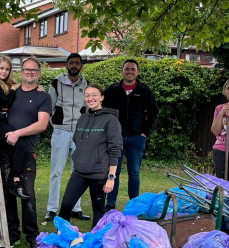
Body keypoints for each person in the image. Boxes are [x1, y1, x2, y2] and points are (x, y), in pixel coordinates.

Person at [1, 57, 52, 248]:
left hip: (27, 151)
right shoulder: (11, 92)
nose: (30, 73)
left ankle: (32, 236)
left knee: (28, 193)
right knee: (8, 193)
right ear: (21, 72)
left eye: (33, 70)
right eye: (26, 70)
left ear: (38, 73)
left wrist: (17, 133)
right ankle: (12, 235)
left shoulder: (44, 97)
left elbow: (42, 124)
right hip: (6, 150)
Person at [58, 84, 122, 228]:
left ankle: (95, 243)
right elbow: (77, 140)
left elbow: (115, 150)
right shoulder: (83, 118)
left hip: (99, 174)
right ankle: (62, 239)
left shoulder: (111, 120)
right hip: (80, 171)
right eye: (87, 95)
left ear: (102, 97)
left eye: (94, 95)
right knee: (66, 205)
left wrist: (111, 177)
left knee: (98, 210)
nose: (90, 98)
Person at [103, 59, 159, 211]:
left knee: (134, 173)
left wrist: (145, 132)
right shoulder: (113, 89)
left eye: (133, 69)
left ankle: (134, 205)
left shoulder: (144, 90)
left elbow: (154, 112)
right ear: (122, 71)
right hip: (116, 137)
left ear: (137, 72)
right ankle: (110, 205)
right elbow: (101, 108)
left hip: (136, 137)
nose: (130, 72)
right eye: (127, 69)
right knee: (114, 172)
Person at [45, 53, 90, 223]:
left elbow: (88, 108)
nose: (74, 65)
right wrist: (56, 124)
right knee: (56, 172)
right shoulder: (57, 83)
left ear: (81, 66)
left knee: (78, 172)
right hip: (61, 132)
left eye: (77, 63)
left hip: (80, 133)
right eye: (71, 62)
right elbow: (49, 107)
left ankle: (75, 208)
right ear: (66, 65)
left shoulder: (86, 84)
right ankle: (51, 209)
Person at [0, 55, 31, 199]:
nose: (4, 72)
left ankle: (12, 183)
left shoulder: (3, 83)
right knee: (20, 144)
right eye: (1, 68)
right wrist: (14, 90)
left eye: (7, 69)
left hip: (3, 121)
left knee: (13, 149)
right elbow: (6, 101)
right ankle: (16, 182)